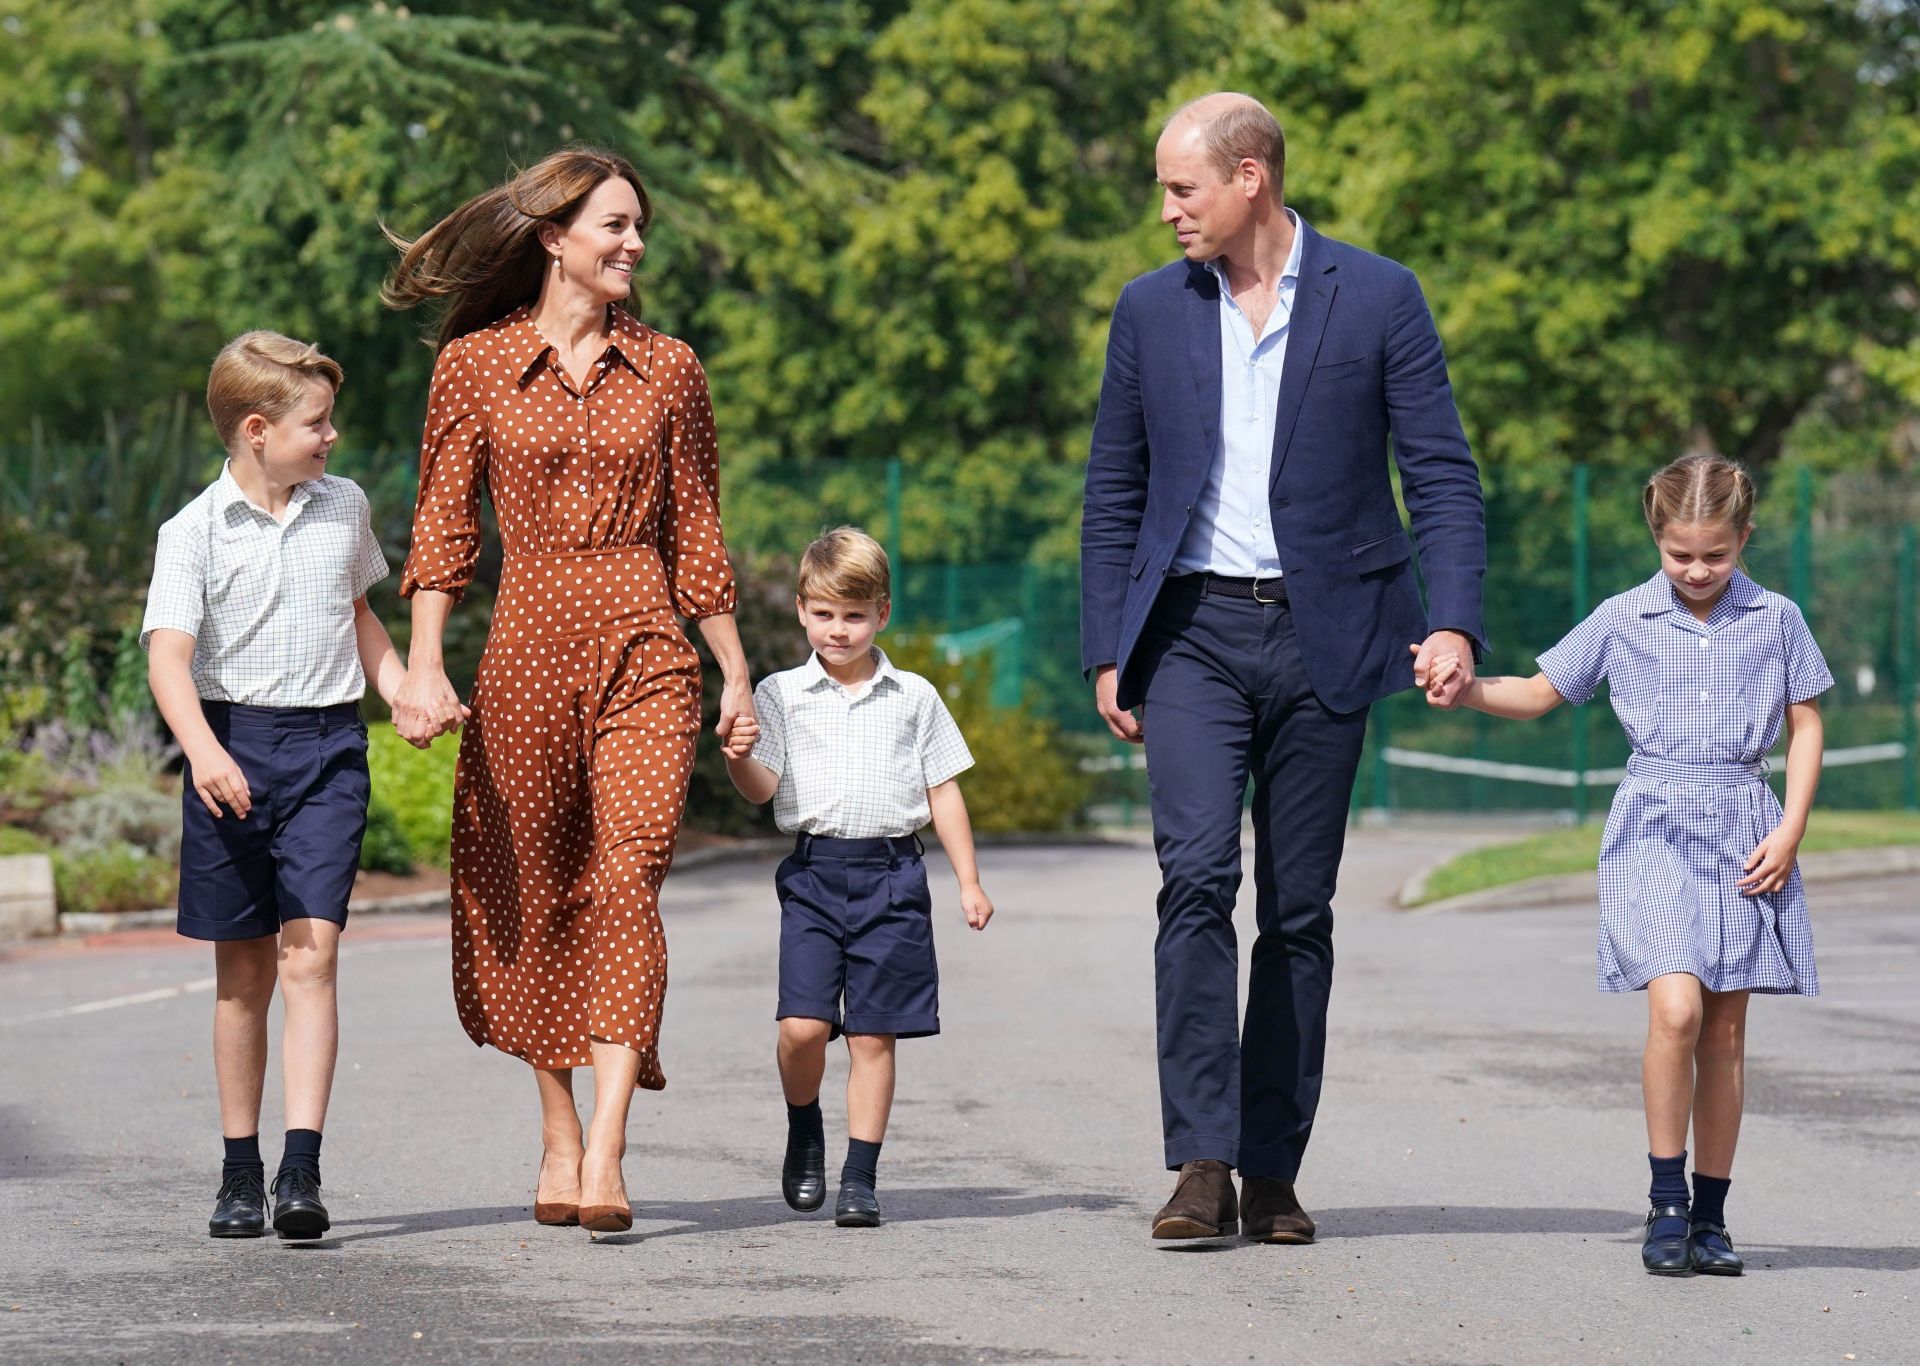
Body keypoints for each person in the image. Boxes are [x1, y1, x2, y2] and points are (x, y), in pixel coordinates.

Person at [1080, 92, 1487, 1244]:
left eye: (1182, 187)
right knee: (1196, 881)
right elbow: (1113, 491)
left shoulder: (1380, 295)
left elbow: (1443, 476)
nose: (1167, 210)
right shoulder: (1149, 312)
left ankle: (1274, 1168)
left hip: (1330, 636)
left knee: (1297, 910)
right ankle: (1202, 1162)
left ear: (1250, 177)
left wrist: (1452, 620)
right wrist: (1110, 643)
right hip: (1194, 635)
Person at [382, 146, 756, 1235]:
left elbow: (698, 531)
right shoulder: (475, 369)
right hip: (526, 646)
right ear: (554, 237)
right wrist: (422, 663)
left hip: (647, 643)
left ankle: (606, 1150)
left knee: (627, 878)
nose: (634, 244)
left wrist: (733, 667)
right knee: (534, 884)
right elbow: (443, 531)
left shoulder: (673, 367)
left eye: (639, 228)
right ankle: (555, 1130)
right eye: (614, 226)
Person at [1426, 453, 1829, 1277]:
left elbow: (1806, 724)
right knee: (1675, 1009)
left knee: (1723, 1029)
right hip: (1652, 823)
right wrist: (1464, 687)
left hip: (1746, 826)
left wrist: (1790, 829)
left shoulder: (1777, 617)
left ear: (1744, 538)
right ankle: (1667, 1203)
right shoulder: (1624, 616)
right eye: (1680, 554)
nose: (1697, 570)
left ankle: (1712, 1219)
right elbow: (1539, 692)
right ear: (1658, 538)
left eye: (1715, 554)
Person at [143, 331, 404, 1240]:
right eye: (316, 424)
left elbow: (361, 615)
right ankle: (238, 1172)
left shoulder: (344, 507)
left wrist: (402, 688)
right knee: (243, 973)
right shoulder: (192, 533)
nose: (331, 438)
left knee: (314, 953)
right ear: (258, 429)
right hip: (230, 749)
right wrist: (204, 752)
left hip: (329, 748)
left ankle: (301, 1170)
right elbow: (169, 661)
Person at [723, 527, 993, 1227]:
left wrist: (967, 880)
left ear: (882, 614)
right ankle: (804, 1123)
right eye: (823, 614)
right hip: (816, 876)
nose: (837, 630)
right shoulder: (779, 695)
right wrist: (735, 755)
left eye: (853, 615)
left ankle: (860, 1178)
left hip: (893, 875)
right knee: (803, 1028)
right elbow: (761, 789)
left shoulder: (915, 696)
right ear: (800, 610)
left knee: (875, 1034)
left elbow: (944, 791)